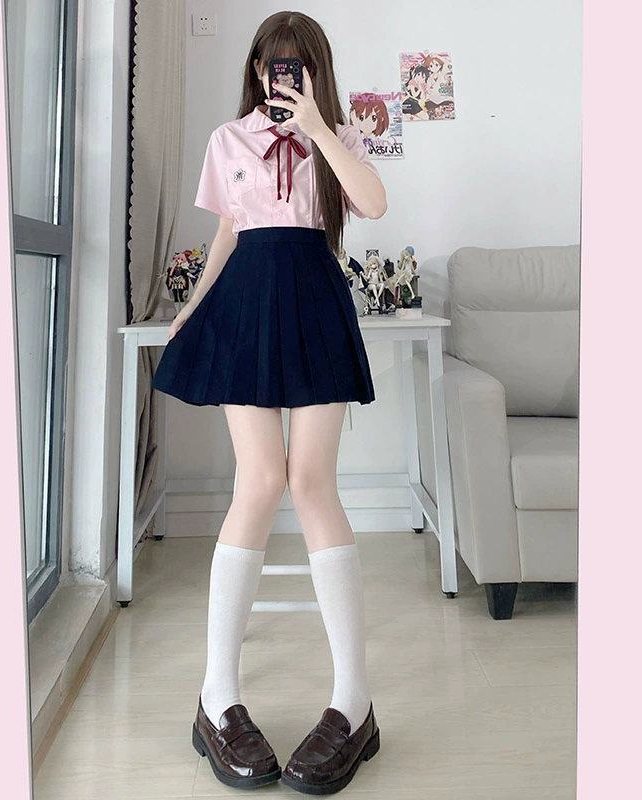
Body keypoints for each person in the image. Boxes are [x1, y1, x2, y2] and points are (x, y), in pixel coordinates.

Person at [151, 10, 387, 795]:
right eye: (269, 64)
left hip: (315, 297)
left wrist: (317, 126)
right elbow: (229, 228)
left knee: (313, 482)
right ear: (255, 69)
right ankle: (216, 696)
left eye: (294, 65)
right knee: (258, 481)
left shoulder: (337, 136)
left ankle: (354, 703)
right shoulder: (229, 139)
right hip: (247, 302)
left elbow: (372, 204)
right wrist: (195, 304)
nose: (278, 75)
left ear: (314, 71)